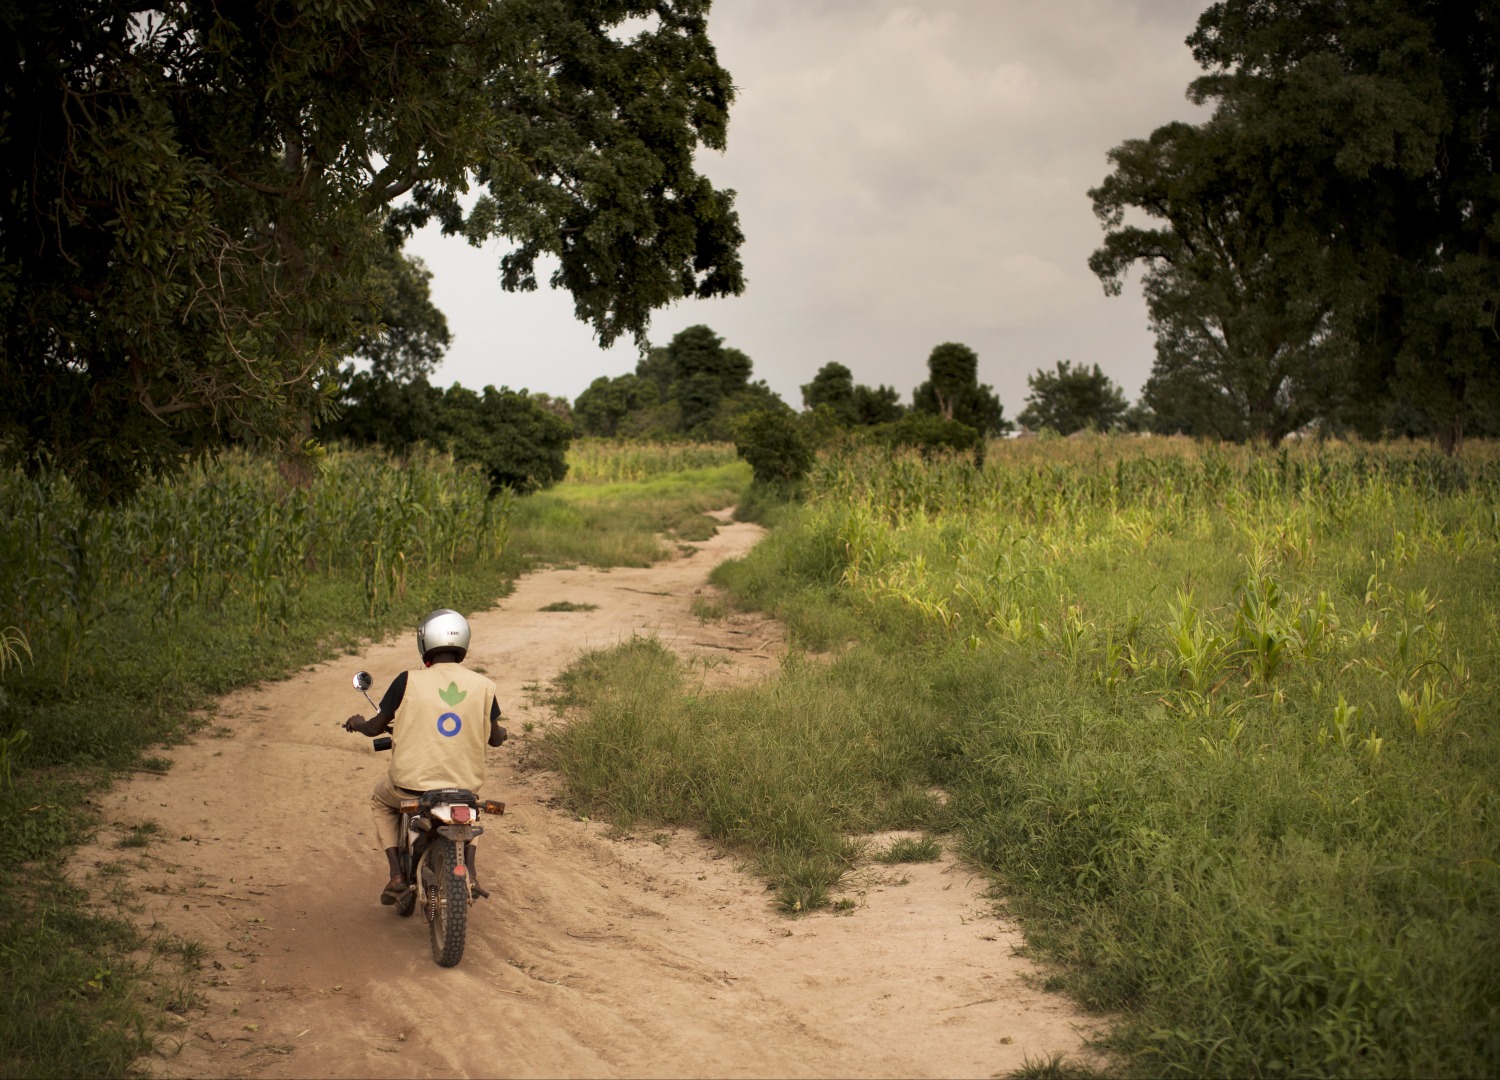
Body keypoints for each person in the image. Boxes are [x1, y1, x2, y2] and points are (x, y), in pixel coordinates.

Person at [344, 609, 507, 905]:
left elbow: (374, 728)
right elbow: (495, 738)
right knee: (469, 807)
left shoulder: (408, 680)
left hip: (411, 787)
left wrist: (357, 722)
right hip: (462, 787)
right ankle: (469, 870)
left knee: (381, 800)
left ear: (425, 642)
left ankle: (395, 873)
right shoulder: (484, 686)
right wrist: (501, 733)